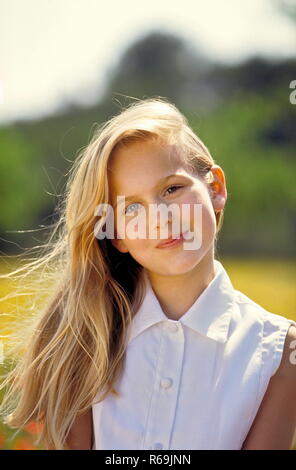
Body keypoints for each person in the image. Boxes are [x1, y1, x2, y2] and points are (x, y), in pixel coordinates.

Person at [0, 97, 295, 450]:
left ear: (215, 188)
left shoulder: (281, 352)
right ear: (117, 234)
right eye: (131, 207)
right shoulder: (81, 337)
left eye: (171, 189)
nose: (159, 218)